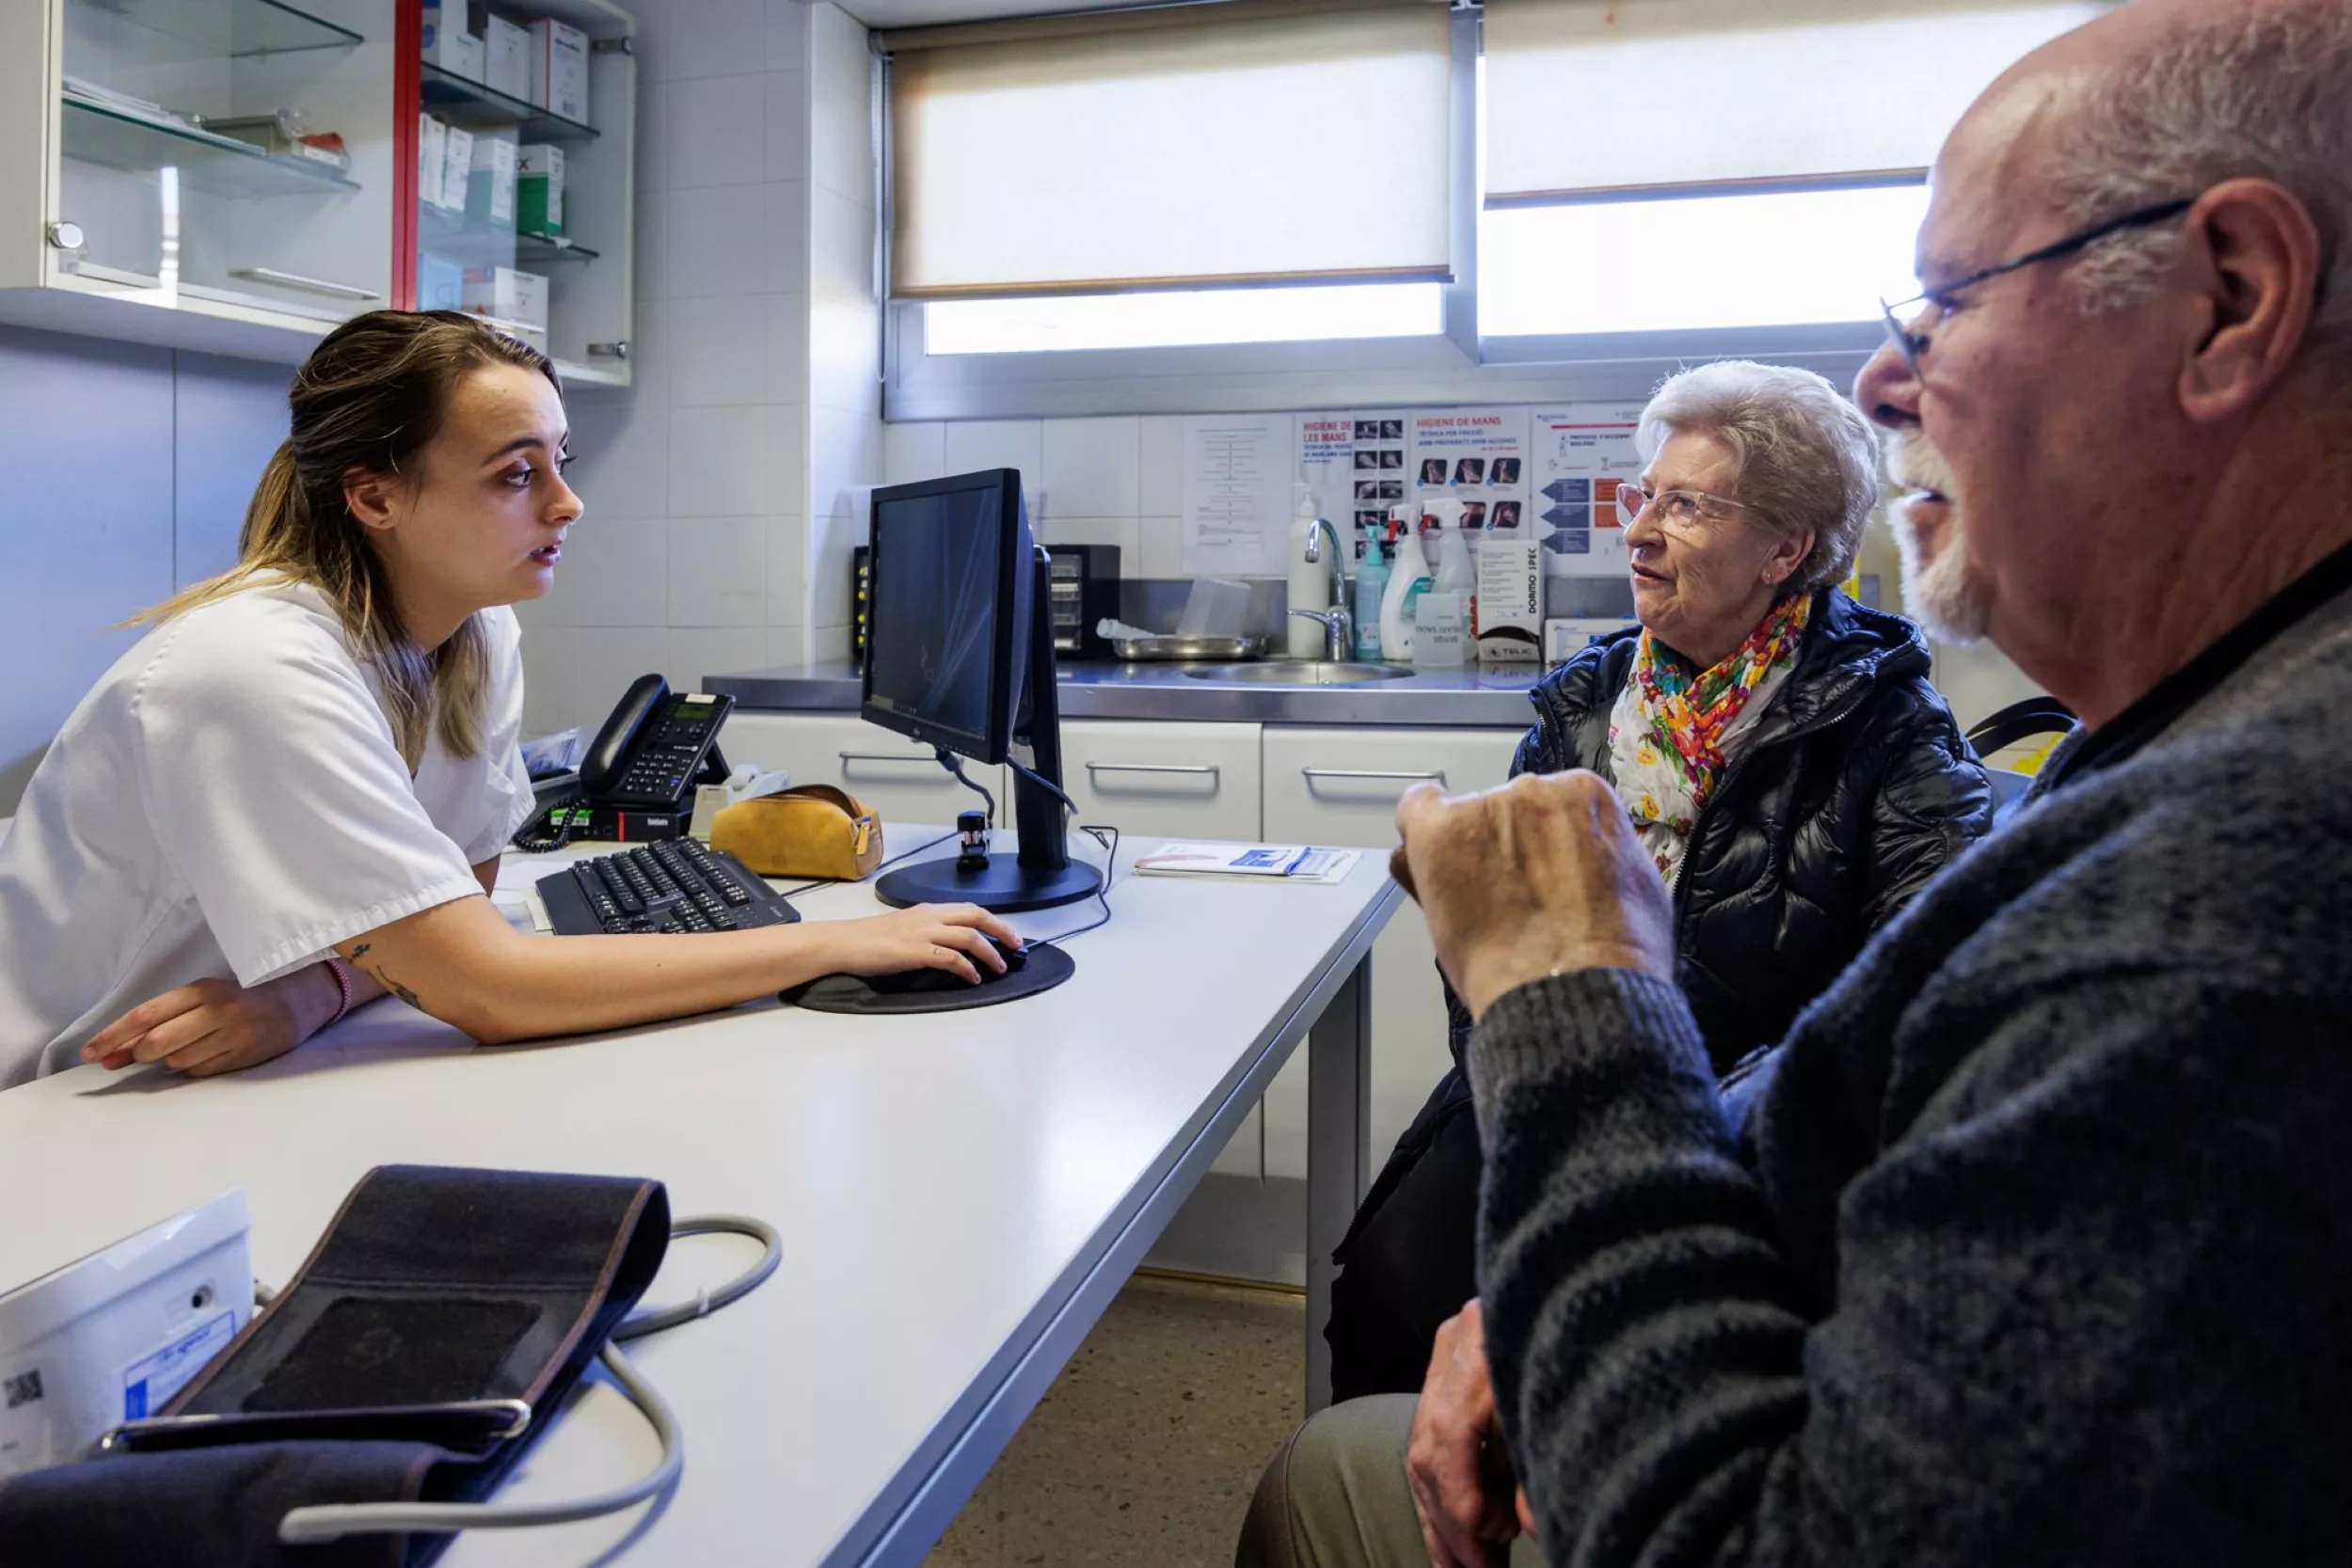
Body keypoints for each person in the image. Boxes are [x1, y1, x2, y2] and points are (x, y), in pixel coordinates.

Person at [1241, 1, 2352, 1564]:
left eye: (1950, 299)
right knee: (1391, 1281)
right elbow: (1867, 1047)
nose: (1891, 377)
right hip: (1698, 1190)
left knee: (1319, 1488)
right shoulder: (2186, 730)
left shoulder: (2229, 892)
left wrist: (1569, 996)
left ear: (2234, 298)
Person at [0, 310, 1019, 1089]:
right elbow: (488, 987)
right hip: (61, 1101)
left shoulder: (474, 630)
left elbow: (464, 892)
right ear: (375, 497)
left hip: (210, 1076)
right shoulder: (252, 668)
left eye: (558, 463)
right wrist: (835, 941)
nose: (566, 502)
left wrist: (313, 992)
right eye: (514, 473)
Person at [1324, 360, 1991, 1402]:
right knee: (1392, 1285)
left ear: (1785, 547)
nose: (1637, 528)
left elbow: (1910, 1009)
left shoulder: (1891, 727)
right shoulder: (1582, 704)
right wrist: (1530, 1083)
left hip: (1754, 1122)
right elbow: (1489, 948)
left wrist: (1666, 1134)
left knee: (1638, 1342)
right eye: (1645, 494)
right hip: (1543, 1071)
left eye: (1686, 505)